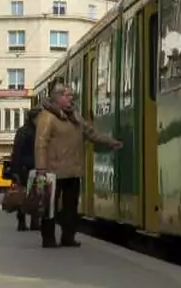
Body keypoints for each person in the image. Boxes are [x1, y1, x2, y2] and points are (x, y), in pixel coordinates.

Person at [34, 84, 121, 248]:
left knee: (71, 208)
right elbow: (41, 144)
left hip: (73, 170)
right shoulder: (47, 117)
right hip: (52, 171)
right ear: (57, 97)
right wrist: (41, 169)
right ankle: (48, 238)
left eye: (71, 95)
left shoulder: (75, 116)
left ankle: (68, 237)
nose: (71, 98)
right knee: (49, 206)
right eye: (67, 95)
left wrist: (111, 142)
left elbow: (91, 133)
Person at [10, 106, 41, 232]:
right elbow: (17, 151)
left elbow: (15, 151)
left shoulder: (24, 131)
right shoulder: (30, 132)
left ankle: (28, 221)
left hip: (29, 167)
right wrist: (16, 170)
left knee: (31, 195)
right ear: (34, 118)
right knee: (28, 195)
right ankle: (28, 221)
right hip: (28, 168)